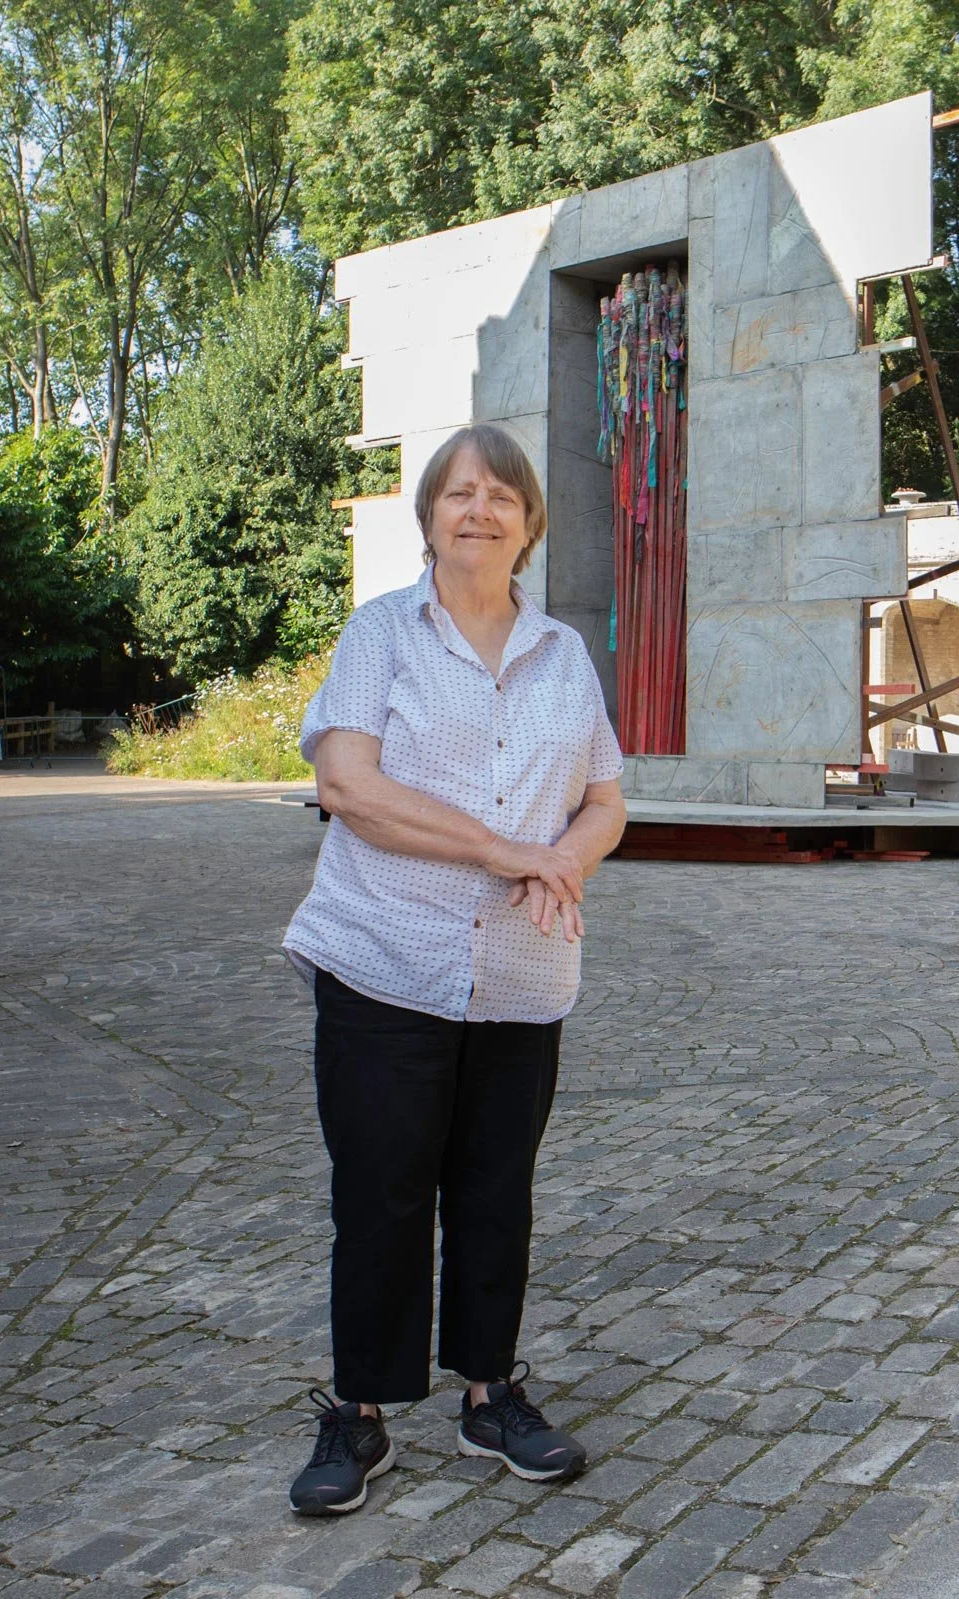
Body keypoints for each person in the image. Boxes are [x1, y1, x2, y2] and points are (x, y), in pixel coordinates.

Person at [279, 423, 628, 1516]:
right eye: (459, 494)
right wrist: (501, 850)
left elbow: (606, 797)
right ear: (429, 516)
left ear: (528, 526)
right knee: (380, 1191)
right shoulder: (381, 632)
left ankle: (490, 1394)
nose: (480, 511)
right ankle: (359, 1413)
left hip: (522, 972)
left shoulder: (563, 653)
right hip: (384, 958)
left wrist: (565, 858)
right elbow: (348, 785)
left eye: (502, 497)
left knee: (494, 1190)